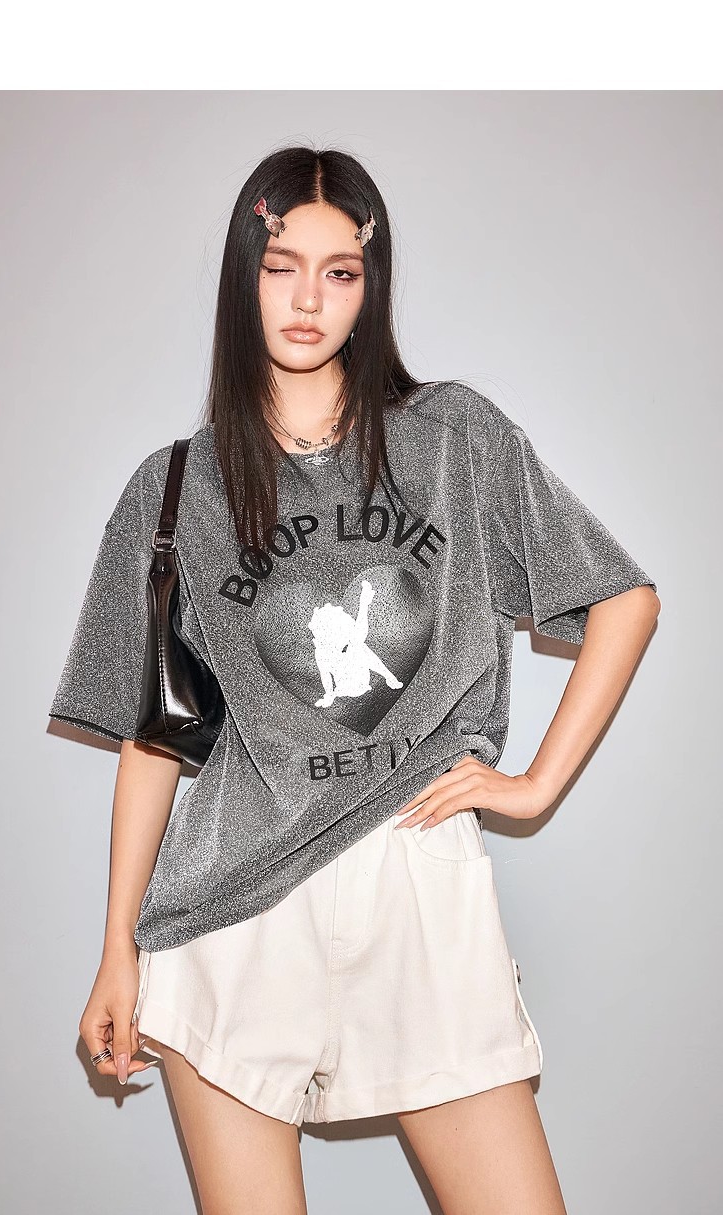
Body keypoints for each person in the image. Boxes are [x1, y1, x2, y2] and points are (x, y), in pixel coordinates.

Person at [49, 145, 660, 1215]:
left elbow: (624, 599)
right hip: (231, 916)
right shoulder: (175, 487)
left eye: (340, 272)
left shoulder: (453, 437)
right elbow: (158, 739)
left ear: (370, 285)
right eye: (282, 266)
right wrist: (116, 951)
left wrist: (533, 786)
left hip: (416, 878)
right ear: (243, 277)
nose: (308, 299)